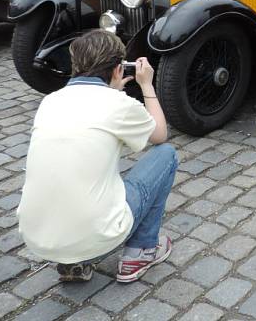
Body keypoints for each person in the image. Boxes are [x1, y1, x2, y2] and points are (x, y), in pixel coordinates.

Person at [18, 29, 177, 283]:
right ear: (118, 69)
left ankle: (73, 261)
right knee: (166, 156)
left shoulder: (50, 101)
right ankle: (141, 251)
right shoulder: (118, 104)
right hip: (97, 233)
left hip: (37, 236)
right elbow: (160, 135)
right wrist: (146, 84)